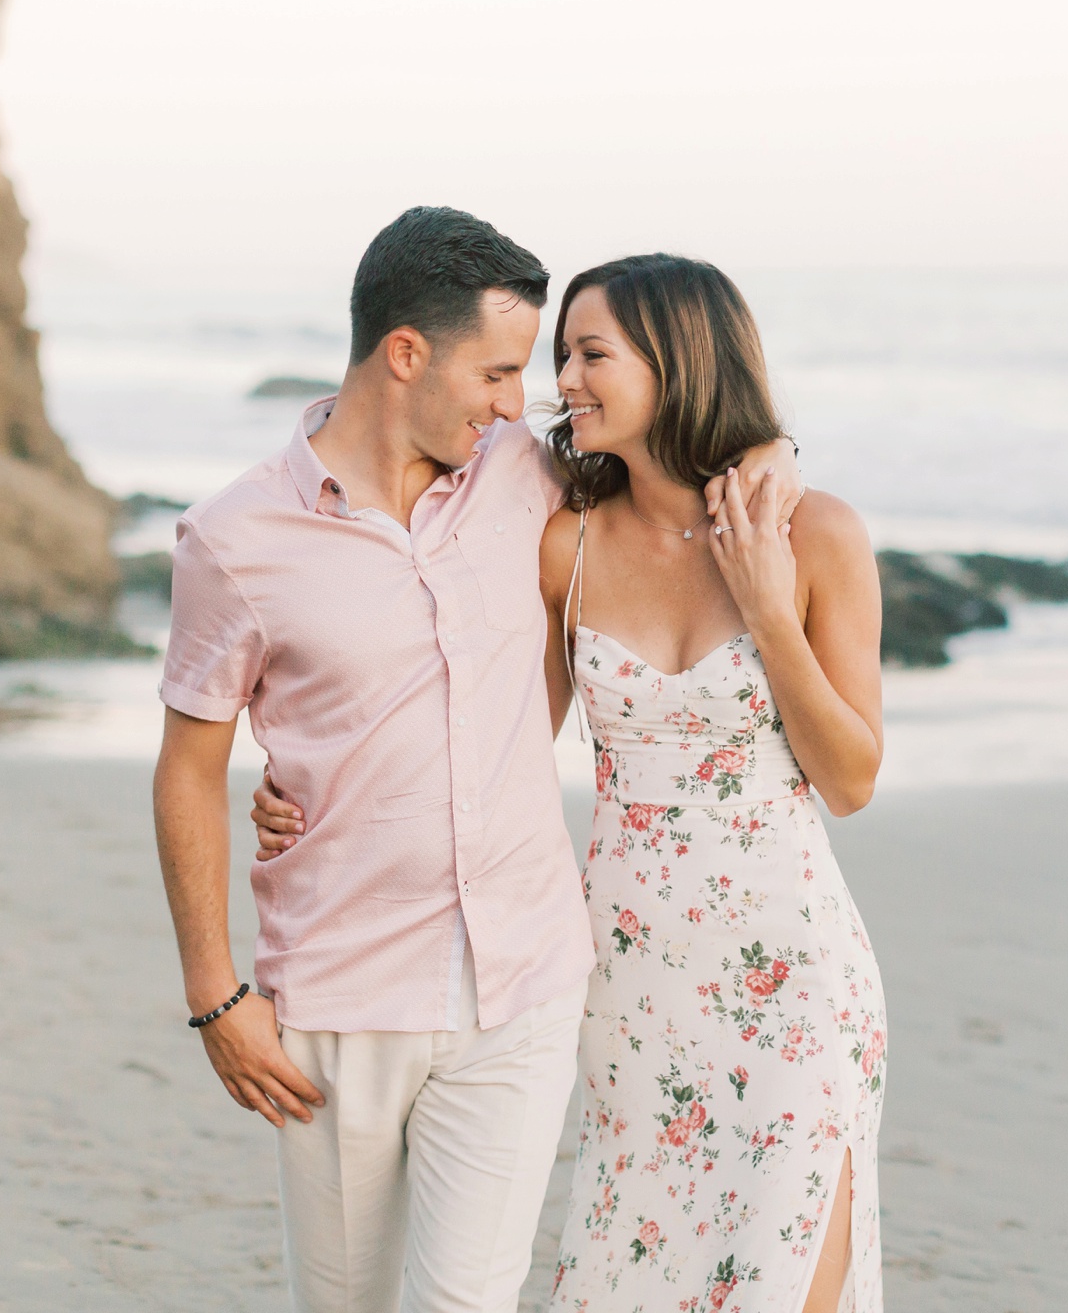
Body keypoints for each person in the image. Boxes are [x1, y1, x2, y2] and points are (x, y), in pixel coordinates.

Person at [153, 208, 795, 1313]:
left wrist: (772, 453)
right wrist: (216, 995)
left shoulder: (527, 476)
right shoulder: (234, 539)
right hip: (340, 995)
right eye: (497, 371)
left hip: (523, 985)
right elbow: (182, 769)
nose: (518, 401)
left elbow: (676, 449)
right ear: (405, 354)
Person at [539, 255, 887, 1313]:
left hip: (791, 986)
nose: (563, 380)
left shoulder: (814, 532)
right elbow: (502, 751)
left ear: (678, 360)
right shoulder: (565, 543)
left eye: (591, 353)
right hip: (631, 987)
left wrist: (765, 607)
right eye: (562, 355)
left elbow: (850, 777)